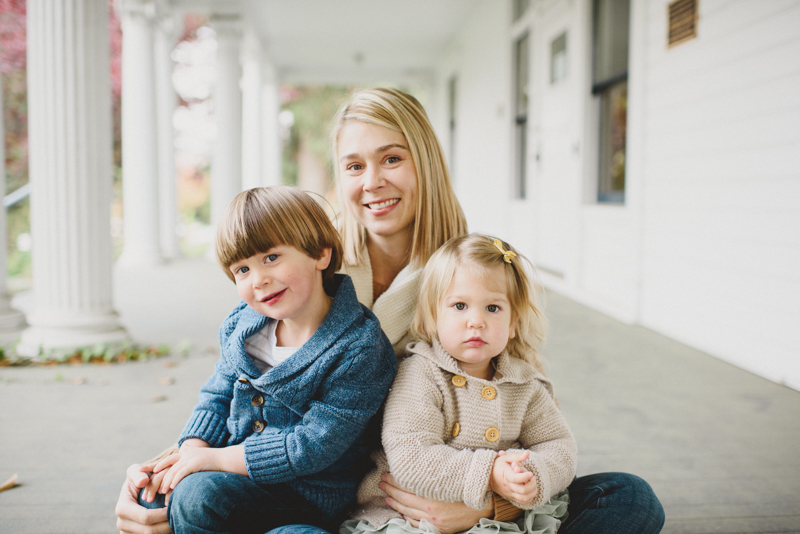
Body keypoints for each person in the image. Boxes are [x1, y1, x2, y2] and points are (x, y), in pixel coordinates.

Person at [116, 88, 664, 534]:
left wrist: (492, 507)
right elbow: (245, 386)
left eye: (392, 158)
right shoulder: (305, 269)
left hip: (456, 483)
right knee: (203, 499)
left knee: (629, 498)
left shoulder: (469, 274)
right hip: (348, 497)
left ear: (423, 161)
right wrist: (167, 471)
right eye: (354, 165)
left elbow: (529, 402)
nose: (372, 181)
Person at [134, 186, 397, 534]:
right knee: (158, 493)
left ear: (320, 254)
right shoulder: (242, 328)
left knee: (208, 499)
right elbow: (216, 398)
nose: (258, 280)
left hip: (308, 498)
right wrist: (190, 453)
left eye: (271, 258)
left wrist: (213, 460)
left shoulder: (359, 347)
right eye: (242, 270)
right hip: (233, 482)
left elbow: (312, 444)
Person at [343, 234, 576, 534]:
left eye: (493, 308)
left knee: (625, 495)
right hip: (409, 519)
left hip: (497, 518)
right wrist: (489, 473)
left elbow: (560, 445)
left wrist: (531, 475)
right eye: (460, 305)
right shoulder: (421, 374)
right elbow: (411, 456)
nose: (476, 321)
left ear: (514, 323)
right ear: (432, 317)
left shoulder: (524, 383)